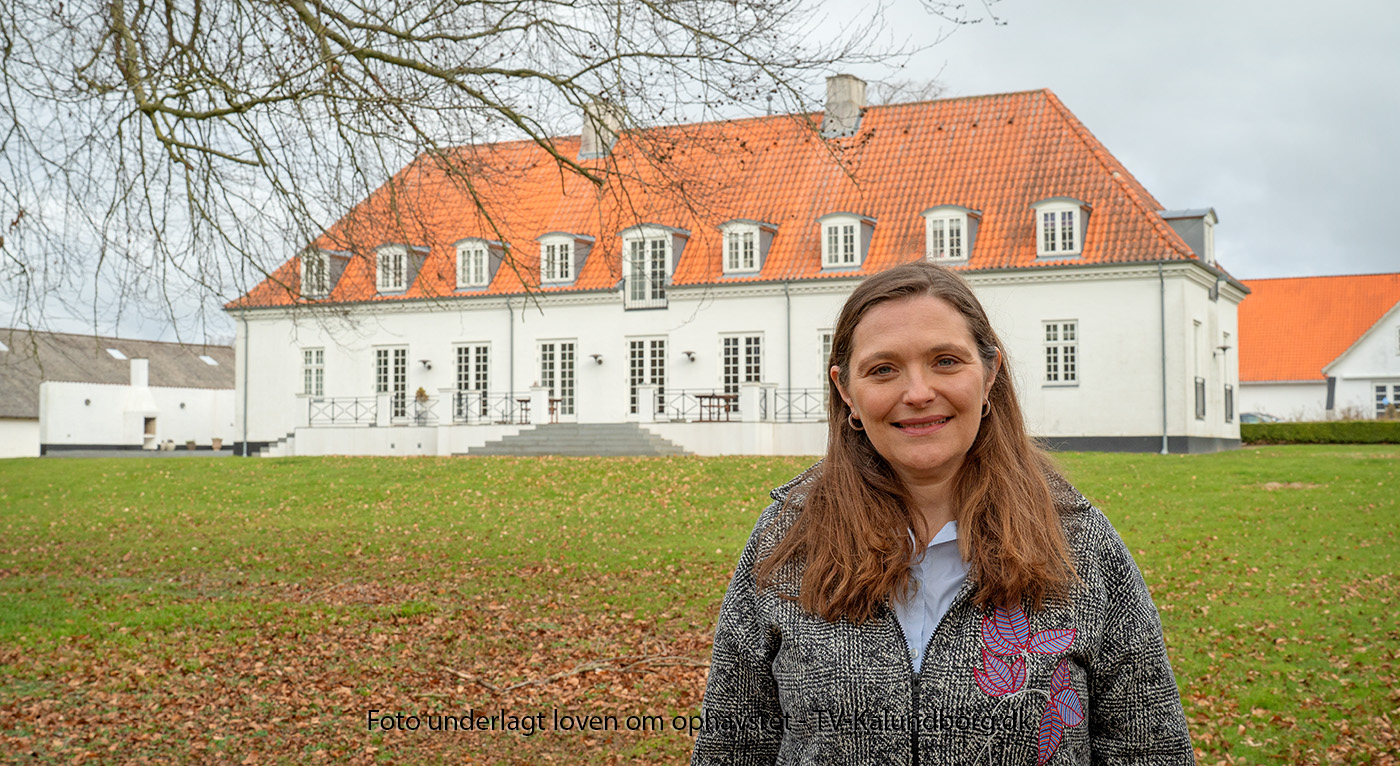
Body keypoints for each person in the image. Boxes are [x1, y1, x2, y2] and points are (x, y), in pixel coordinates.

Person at [691, 262, 1194, 765]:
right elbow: (731, 747)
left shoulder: (1078, 543)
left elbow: (1151, 751)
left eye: (946, 361)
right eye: (883, 369)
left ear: (990, 371)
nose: (917, 393)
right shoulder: (788, 539)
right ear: (847, 391)